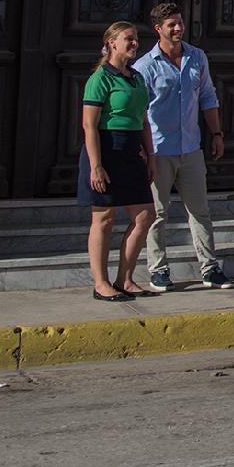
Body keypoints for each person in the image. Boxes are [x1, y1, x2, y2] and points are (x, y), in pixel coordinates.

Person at [132, 1, 232, 291]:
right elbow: (139, 112)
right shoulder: (145, 66)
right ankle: (158, 269)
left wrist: (216, 133)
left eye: (180, 22)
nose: (178, 28)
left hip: (190, 147)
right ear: (158, 29)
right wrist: (143, 150)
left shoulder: (196, 57)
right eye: (171, 25)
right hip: (159, 150)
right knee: (157, 213)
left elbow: (208, 96)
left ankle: (210, 268)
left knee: (200, 211)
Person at [79, 21, 158, 302]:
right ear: (112, 43)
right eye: (128, 38)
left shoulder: (136, 78)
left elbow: (144, 120)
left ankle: (124, 278)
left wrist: (150, 155)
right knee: (104, 218)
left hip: (132, 150)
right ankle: (101, 283)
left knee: (145, 214)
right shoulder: (101, 78)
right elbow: (89, 125)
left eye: (136, 38)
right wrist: (96, 165)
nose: (135, 43)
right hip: (106, 148)